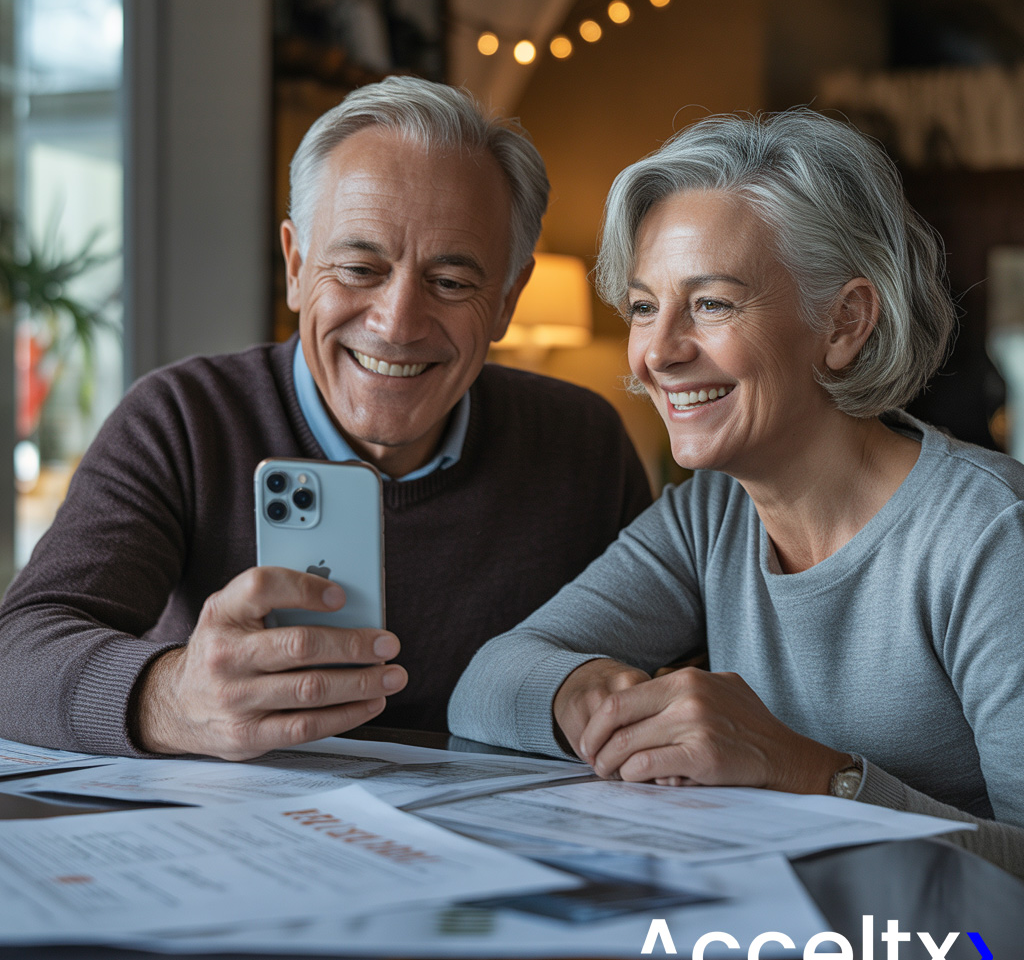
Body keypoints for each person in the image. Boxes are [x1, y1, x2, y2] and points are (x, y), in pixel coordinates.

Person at [0, 76, 651, 761]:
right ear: (295, 265)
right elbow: (16, 656)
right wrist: (174, 698)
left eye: (452, 283)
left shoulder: (585, 444)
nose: (397, 324)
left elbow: (675, 666)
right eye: (359, 268)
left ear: (508, 300)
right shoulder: (183, 421)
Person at [449, 109, 1024, 877]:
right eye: (645, 306)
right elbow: (486, 682)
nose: (657, 352)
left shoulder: (991, 534)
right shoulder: (707, 513)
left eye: (712, 303)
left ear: (845, 322)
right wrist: (594, 697)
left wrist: (808, 772)